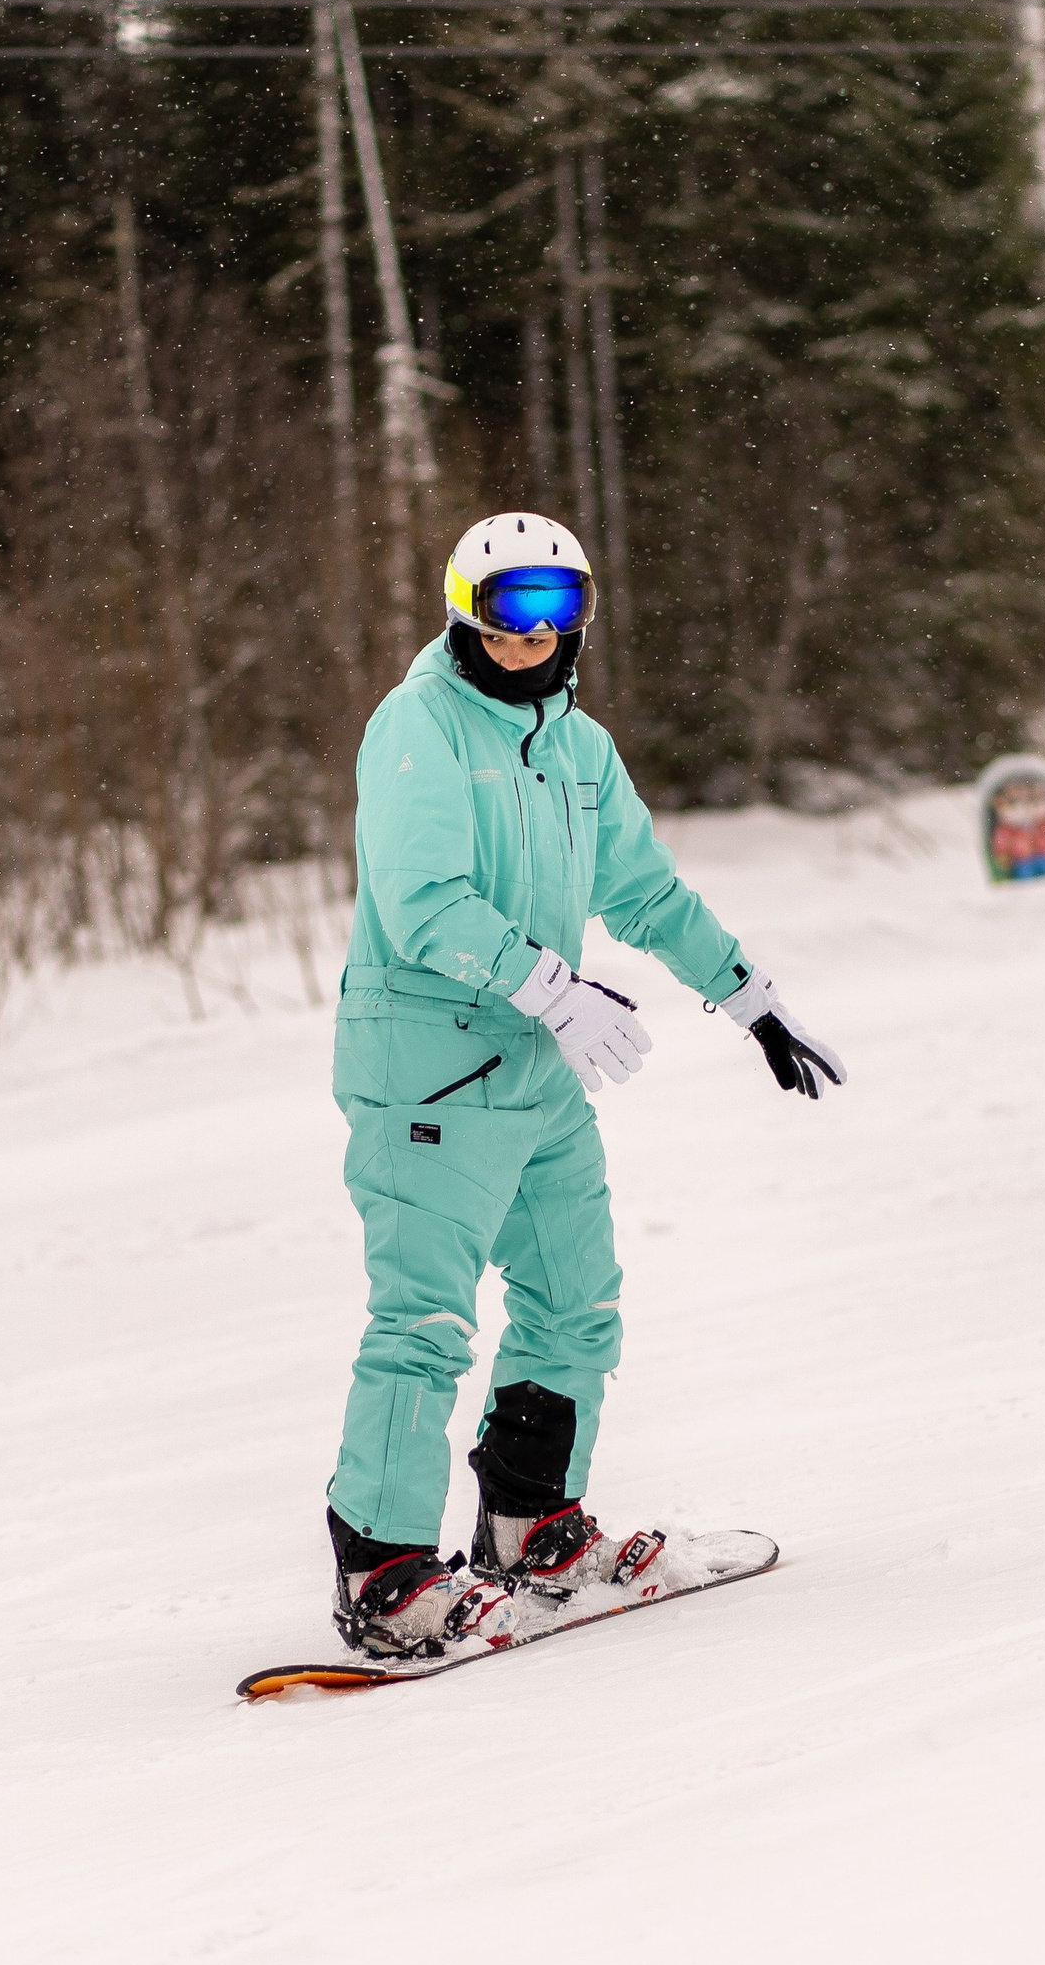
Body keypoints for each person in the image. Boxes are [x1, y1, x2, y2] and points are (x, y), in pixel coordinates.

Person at [324, 512, 845, 1661]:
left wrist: (748, 995)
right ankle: (385, 1573)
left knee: (576, 1298)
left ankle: (532, 1525)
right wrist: (552, 986)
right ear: (465, 612)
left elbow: (644, 893)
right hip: (426, 1062)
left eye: (557, 611)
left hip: (533, 1060)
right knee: (423, 1318)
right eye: (510, 612)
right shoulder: (417, 726)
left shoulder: (578, 747)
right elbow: (420, 901)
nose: (533, 636)